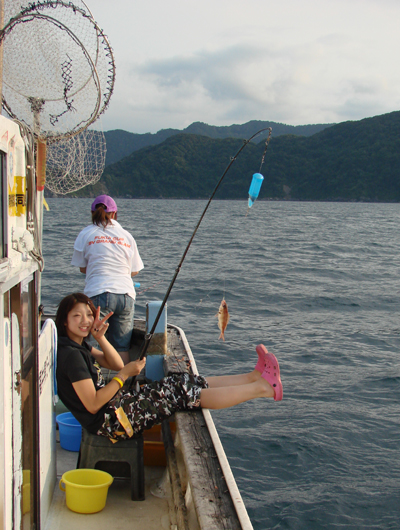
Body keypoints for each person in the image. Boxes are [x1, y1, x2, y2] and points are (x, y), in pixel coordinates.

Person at [55, 293, 283, 441]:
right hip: (112, 421)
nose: (85, 320)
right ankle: (263, 388)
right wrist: (125, 375)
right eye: (77, 316)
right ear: (64, 321)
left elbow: (114, 364)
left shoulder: (79, 347)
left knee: (182, 381)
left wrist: (101, 338)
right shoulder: (72, 357)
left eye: (88, 314)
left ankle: (253, 376)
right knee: (182, 394)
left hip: (117, 408)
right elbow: (93, 404)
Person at [71, 195, 144, 365]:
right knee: (121, 347)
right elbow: (135, 271)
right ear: (115, 213)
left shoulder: (86, 233)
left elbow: (82, 268)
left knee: (86, 342)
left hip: (98, 293)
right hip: (125, 296)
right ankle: (121, 385)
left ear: (92, 212)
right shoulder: (126, 236)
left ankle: (90, 382)